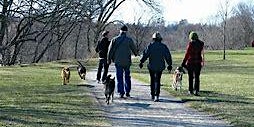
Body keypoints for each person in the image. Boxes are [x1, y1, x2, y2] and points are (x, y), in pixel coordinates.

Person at [139, 32, 172, 102]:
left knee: (152, 80)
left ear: (153, 38)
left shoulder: (150, 46)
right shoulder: (163, 46)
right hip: (160, 66)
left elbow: (145, 55)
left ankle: (152, 94)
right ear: (160, 39)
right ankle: (157, 95)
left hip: (151, 66)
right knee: (158, 80)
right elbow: (167, 56)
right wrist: (169, 64)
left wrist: (141, 62)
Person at [108, 25, 138, 98]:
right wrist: (136, 54)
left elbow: (110, 50)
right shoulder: (129, 40)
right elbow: (134, 50)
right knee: (127, 76)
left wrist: (109, 59)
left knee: (119, 77)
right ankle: (127, 91)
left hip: (118, 61)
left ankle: (121, 92)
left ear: (120, 31)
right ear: (126, 31)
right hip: (127, 61)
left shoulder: (114, 39)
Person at [181, 31, 204, 96]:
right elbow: (202, 54)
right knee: (197, 77)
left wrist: (183, 62)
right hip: (198, 62)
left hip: (190, 62)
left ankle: (190, 90)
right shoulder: (201, 44)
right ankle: (196, 90)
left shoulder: (190, 44)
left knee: (190, 77)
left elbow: (187, 54)